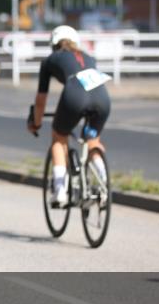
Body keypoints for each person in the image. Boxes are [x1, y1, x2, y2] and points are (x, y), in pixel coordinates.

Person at [27, 26, 111, 206]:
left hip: (75, 95)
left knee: (59, 137)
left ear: (53, 44)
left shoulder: (50, 60)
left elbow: (41, 100)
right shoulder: (89, 57)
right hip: (102, 97)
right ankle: (105, 186)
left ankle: (60, 191)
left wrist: (36, 123)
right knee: (93, 140)